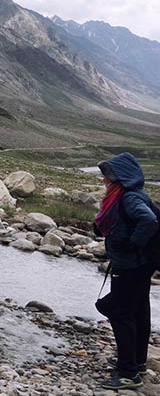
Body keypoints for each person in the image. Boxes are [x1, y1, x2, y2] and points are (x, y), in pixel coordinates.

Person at [94, 152, 158, 390]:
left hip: (130, 265)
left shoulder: (128, 197)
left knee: (119, 312)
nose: (104, 180)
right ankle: (136, 362)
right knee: (138, 311)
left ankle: (128, 373)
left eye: (108, 176)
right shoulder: (129, 195)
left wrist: (131, 243)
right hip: (139, 265)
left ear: (121, 177)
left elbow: (149, 221)